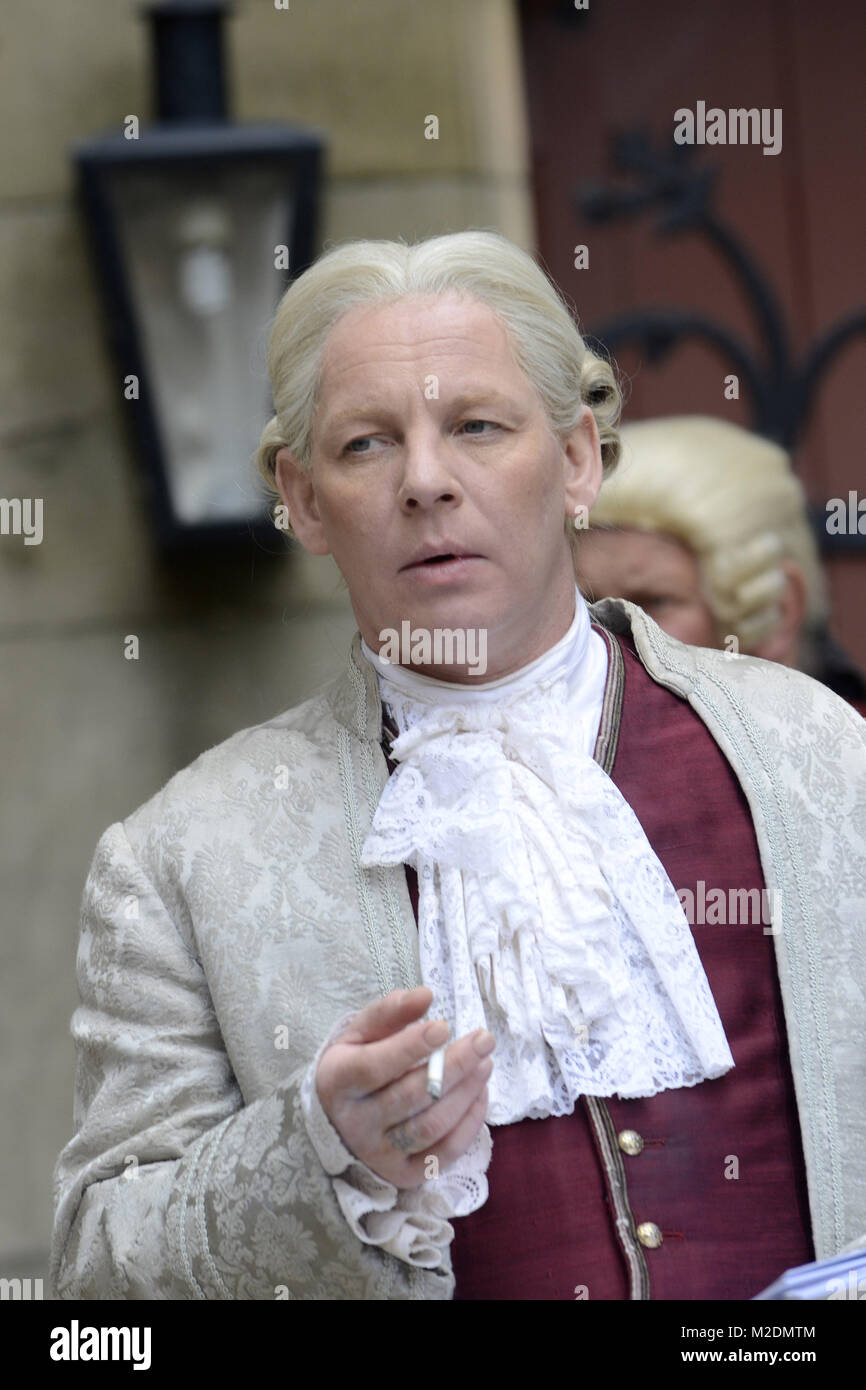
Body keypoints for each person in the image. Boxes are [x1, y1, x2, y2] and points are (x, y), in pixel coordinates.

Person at [50, 231, 866, 1301]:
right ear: (299, 499)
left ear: (576, 458)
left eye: (475, 426)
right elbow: (96, 1281)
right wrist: (314, 1161)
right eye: (365, 446)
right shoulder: (180, 859)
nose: (425, 481)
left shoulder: (814, 754)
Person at [575, 415, 866, 714]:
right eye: (587, 604)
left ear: (779, 609)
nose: (604, 634)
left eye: (651, 602)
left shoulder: (852, 757)